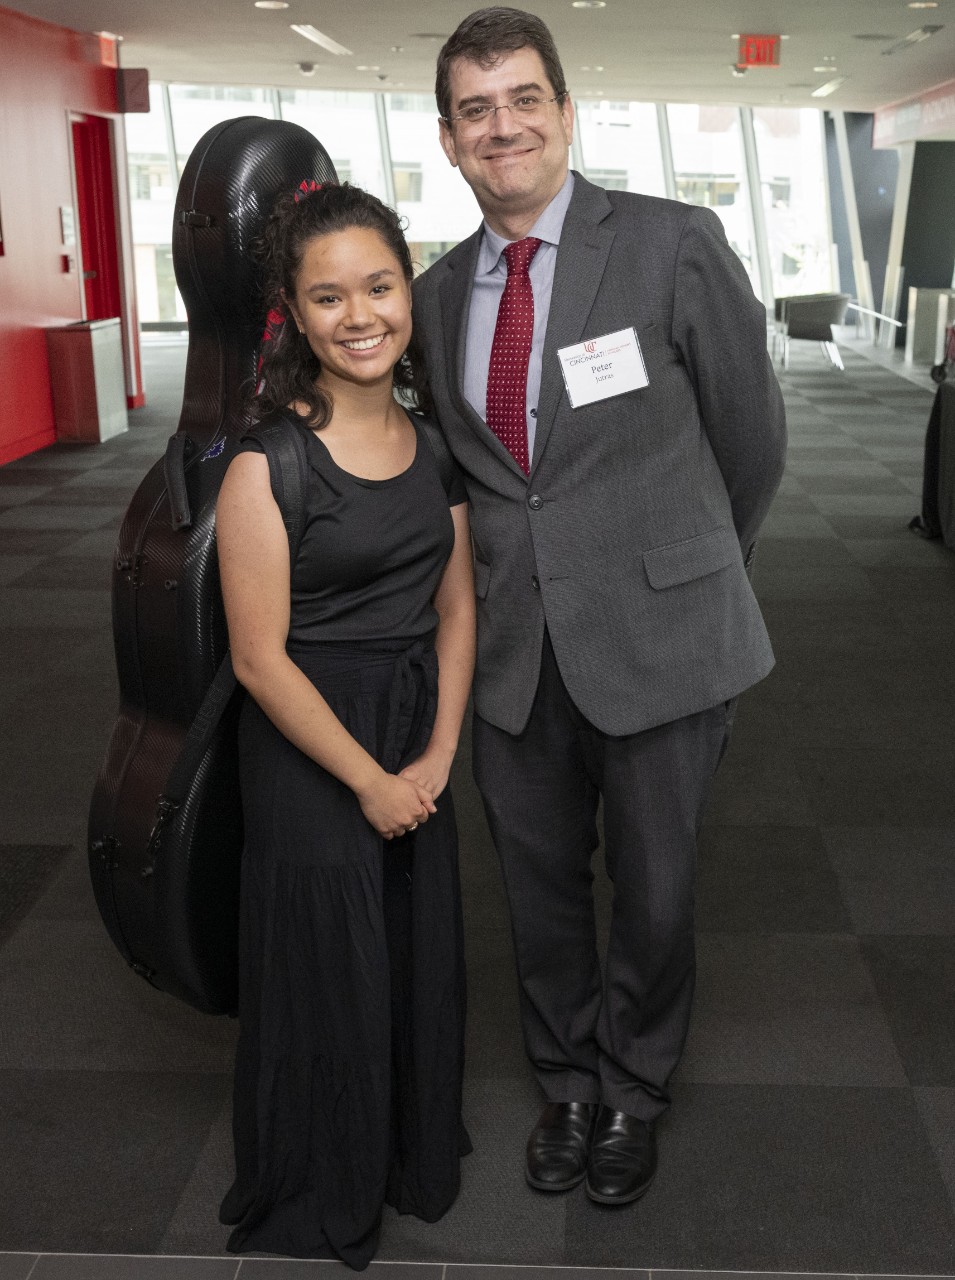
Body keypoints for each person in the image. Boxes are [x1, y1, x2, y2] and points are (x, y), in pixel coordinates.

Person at [413, 6, 786, 1207]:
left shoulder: (672, 243)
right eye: (476, 109)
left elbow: (751, 439)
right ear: (449, 138)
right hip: (515, 643)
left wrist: (685, 570)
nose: (502, 126)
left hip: (663, 634)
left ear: (566, 112)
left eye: (523, 99)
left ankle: (634, 1086)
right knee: (535, 885)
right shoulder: (430, 297)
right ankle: (565, 1078)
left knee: (658, 884)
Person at [216, 182, 475, 1268]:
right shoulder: (266, 462)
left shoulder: (434, 443)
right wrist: (371, 778)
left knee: (413, 951)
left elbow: (457, 606)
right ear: (294, 309)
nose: (359, 314)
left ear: (405, 288)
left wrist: (439, 751)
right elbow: (257, 658)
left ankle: (406, 1149)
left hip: (415, 730)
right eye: (329, 296)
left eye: (378, 285)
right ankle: (325, 1177)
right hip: (315, 744)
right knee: (332, 966)